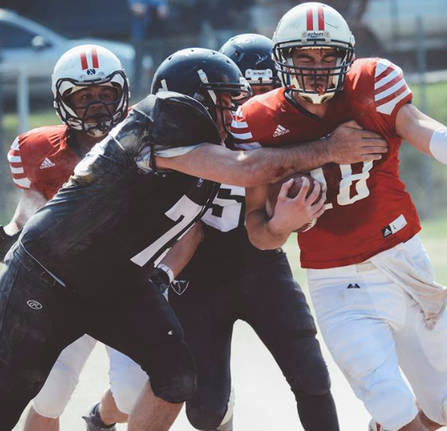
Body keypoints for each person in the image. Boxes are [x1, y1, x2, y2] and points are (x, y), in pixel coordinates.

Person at [0, 46, 387, 431]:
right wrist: (329, 149)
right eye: (224, 101)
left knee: (176, 376)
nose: (234, 113)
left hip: (114, 281)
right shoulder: (163, 117)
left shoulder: (200, 159)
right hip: (51, 273)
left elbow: (195, 226)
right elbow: (248, 169)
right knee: (16, 391)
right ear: (193, 99)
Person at [238, 3, 447, 431]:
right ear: (283, 59)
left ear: (346, 57)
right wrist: (281, 224)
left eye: (328, 56)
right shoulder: (256, 120)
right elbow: (259, 234)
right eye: (305, 57)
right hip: (335, 281)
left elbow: (423, 128)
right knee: (391, 403)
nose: (317, 68)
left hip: (404, 261)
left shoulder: (371, 84)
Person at [82, 38, 341, 431]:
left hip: (260, 266)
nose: (251, 104)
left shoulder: (275, 131)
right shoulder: (169, 137)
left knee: (311, 376)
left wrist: (289, 220)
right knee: (205, 411)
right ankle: (107, 416)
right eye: (240, 94)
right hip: (197, 278)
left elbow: (269, 229)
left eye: (266, 90)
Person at [1, 44, 130, 431]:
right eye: (84, 96)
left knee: (132, 395)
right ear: (62, 100)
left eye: (106, 94)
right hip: (63, 291)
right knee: (49, 395)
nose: (98, 105)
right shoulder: (34, 151)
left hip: (128, 291)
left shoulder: (146, 144)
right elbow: (24, 219)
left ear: (122, 93)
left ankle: (100, 419)